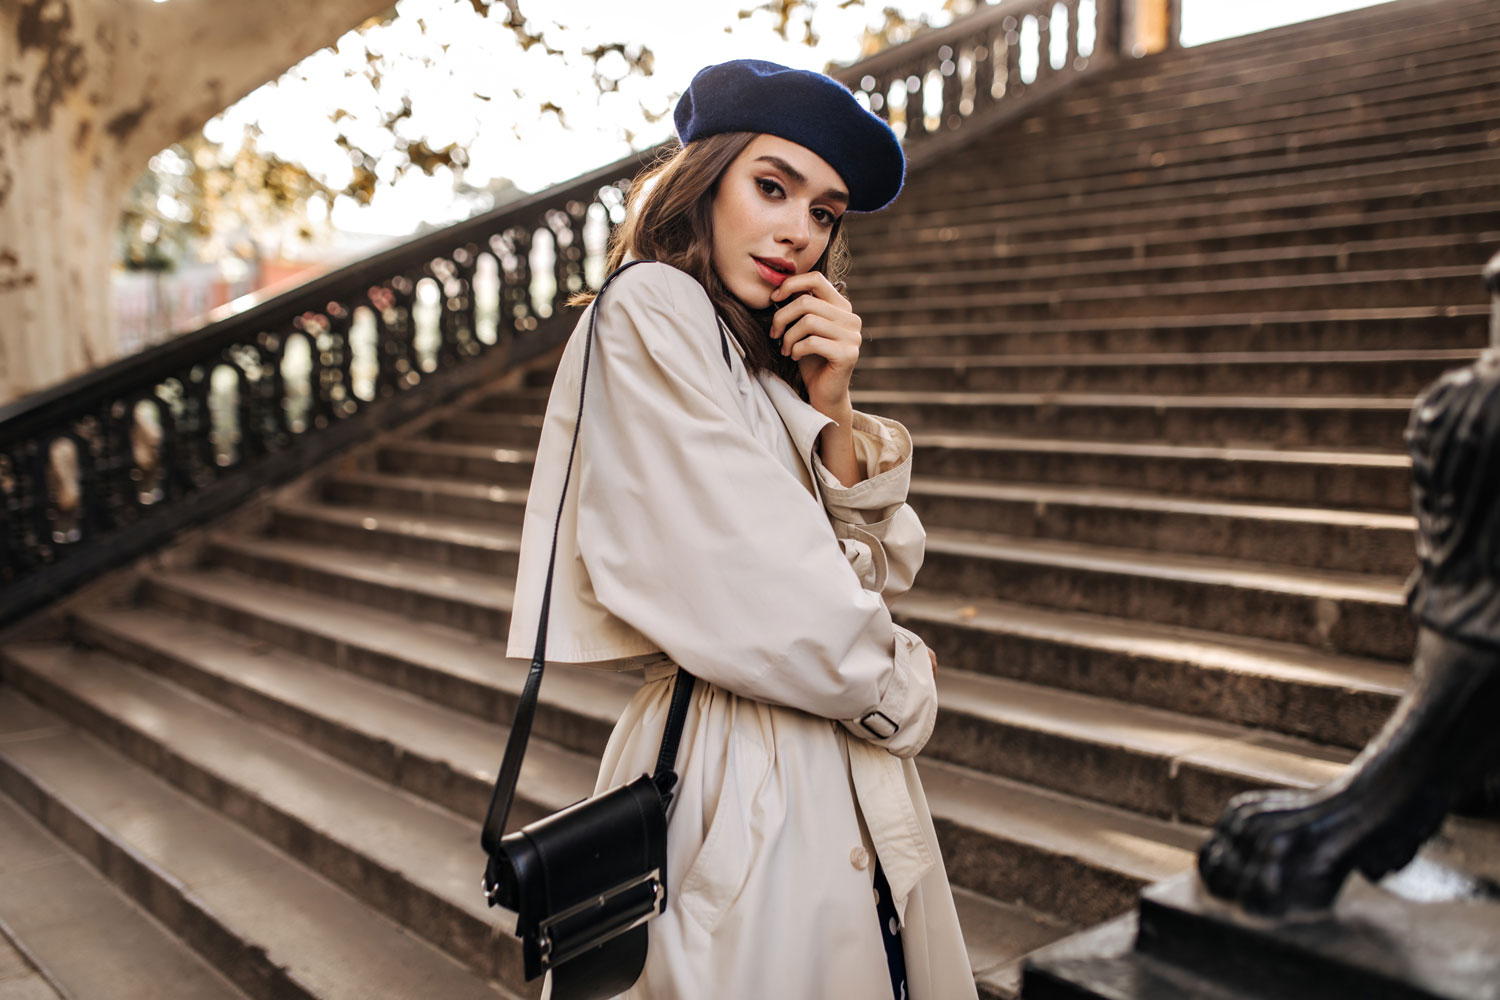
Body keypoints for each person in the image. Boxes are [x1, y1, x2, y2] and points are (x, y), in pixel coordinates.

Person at [506, 58, 978, 1000]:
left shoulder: (755, 359)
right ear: (705, 181)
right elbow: (753, 576)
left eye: (824, 212)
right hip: (730, 771)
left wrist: (831, 401)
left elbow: (860, 577)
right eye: (773, 187)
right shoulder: (650, 306)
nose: (799, 231)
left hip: (823, 760)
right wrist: (897, 685)